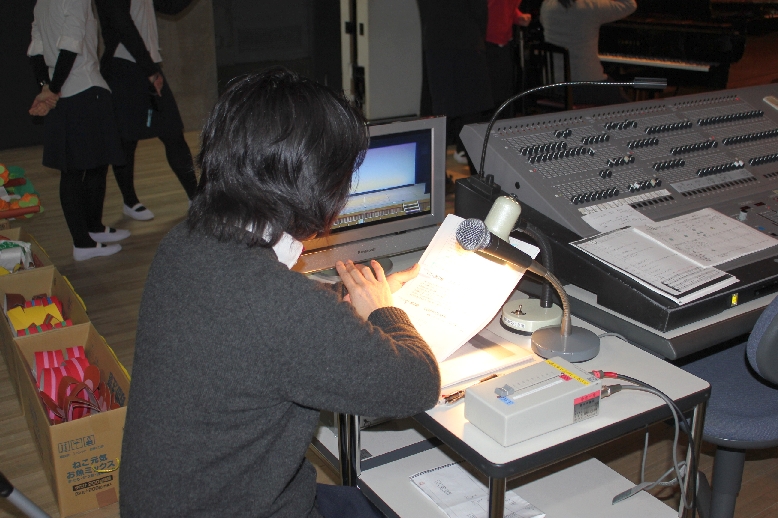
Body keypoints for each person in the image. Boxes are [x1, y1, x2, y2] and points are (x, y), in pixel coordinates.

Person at [119, 68, 441, 517]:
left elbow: (253, 322)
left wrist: (342, 299)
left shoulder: (184, 241)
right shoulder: (282, 308)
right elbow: (418, 383)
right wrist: (384, 311)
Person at [28, 0, 131, 261]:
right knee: (76, 171)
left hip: (68, 92)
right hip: (83, 89)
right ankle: (82, 243)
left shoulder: (42, 2)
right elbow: (70, 44)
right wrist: (52, 89)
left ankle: (93, 229)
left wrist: (46, 86)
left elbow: (36, 48)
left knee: (93, 165)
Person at [94, 0, 198, 221]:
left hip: (146, 64)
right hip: (124, 65)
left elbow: (170, 6)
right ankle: (130, 201)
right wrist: (149, 70)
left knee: (172, 132)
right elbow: (122, 25)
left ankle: (196, 198)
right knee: (126, 139)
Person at [417, 0, 494, 169]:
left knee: (441, 114)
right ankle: (476, 173)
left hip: (436, 43)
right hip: (467, 43)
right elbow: (479, 10)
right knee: (471, 114)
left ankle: (436, 175)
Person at [539, 0, 637, 105]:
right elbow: (630, 5)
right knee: (628, 108)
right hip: (587, 86)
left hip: (553, 86)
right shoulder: (591, 6)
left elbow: (543, 21)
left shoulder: (547, 5)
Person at [486, 0, 532, 113]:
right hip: (488, 40)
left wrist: (517, 16)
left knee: (503, 96)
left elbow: (505, 6)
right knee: (494, 98)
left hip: (502, 40)